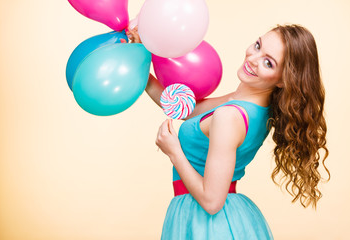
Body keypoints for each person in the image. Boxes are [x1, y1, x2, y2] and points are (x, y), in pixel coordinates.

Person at [125, 24, 329, 239]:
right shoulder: (248, 105)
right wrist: (143, 65)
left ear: (282, 80)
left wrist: (173, 151)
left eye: (268, 63)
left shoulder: (230, 116)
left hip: (209, 223)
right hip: (215, 216)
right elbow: (187, 109)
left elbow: (212, 202)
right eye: (258, 46)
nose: (252, 58)